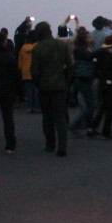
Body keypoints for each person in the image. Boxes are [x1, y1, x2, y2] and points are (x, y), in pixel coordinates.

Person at [30, 20, 73, 157]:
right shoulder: (61, 45)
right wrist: (67, 80)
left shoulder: (37, 48)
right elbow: (70, 65)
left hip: (44, 85)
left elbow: (34, 70)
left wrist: (38, 83)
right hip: (60, 84)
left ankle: (50, 144)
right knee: (60, 116)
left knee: (47, 117)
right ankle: (62, 146)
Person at [87, 34, 112, 139]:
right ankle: (106, 131)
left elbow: (91, 58)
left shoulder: (101, 52)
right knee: (110, 108)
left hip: (102, 82)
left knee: (103, 106)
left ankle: (93, 127)